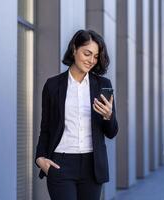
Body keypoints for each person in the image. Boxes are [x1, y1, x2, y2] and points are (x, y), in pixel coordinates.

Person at [35, 29, 118, 200]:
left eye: (95, 56)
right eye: (87, 53)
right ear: (74, 49)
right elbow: (46, 128)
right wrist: (39, 158)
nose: (91, 60)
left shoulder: (103, 85)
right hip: (60, 164)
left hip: (92, 166)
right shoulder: (53, 85)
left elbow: (111, 132)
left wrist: (108, 116)